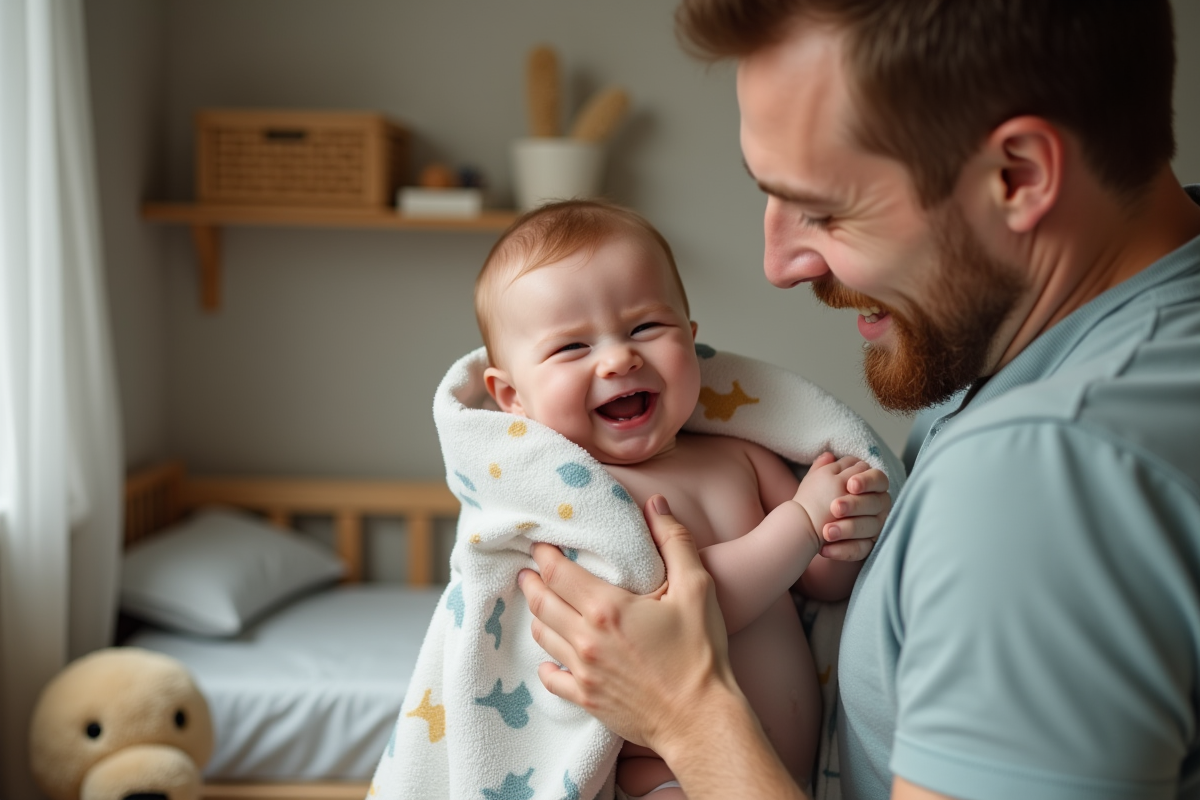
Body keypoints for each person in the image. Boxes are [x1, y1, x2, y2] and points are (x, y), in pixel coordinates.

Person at [515, 2, 1200, 799]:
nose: (781, 263)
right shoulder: (1079, 350)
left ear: (1018, 176)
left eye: (825, 209)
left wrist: (686, 713)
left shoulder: (1043, 475)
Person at [475, 199, 892, 798]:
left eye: (645, 327)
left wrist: (844, 524)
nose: (619, 357)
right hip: (667, 776)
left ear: (691, 341)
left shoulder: (741, 457)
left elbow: (819, 582)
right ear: (512, 396)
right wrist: (800, 521)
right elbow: (676, 617)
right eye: (572, 348)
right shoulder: (583, 502)